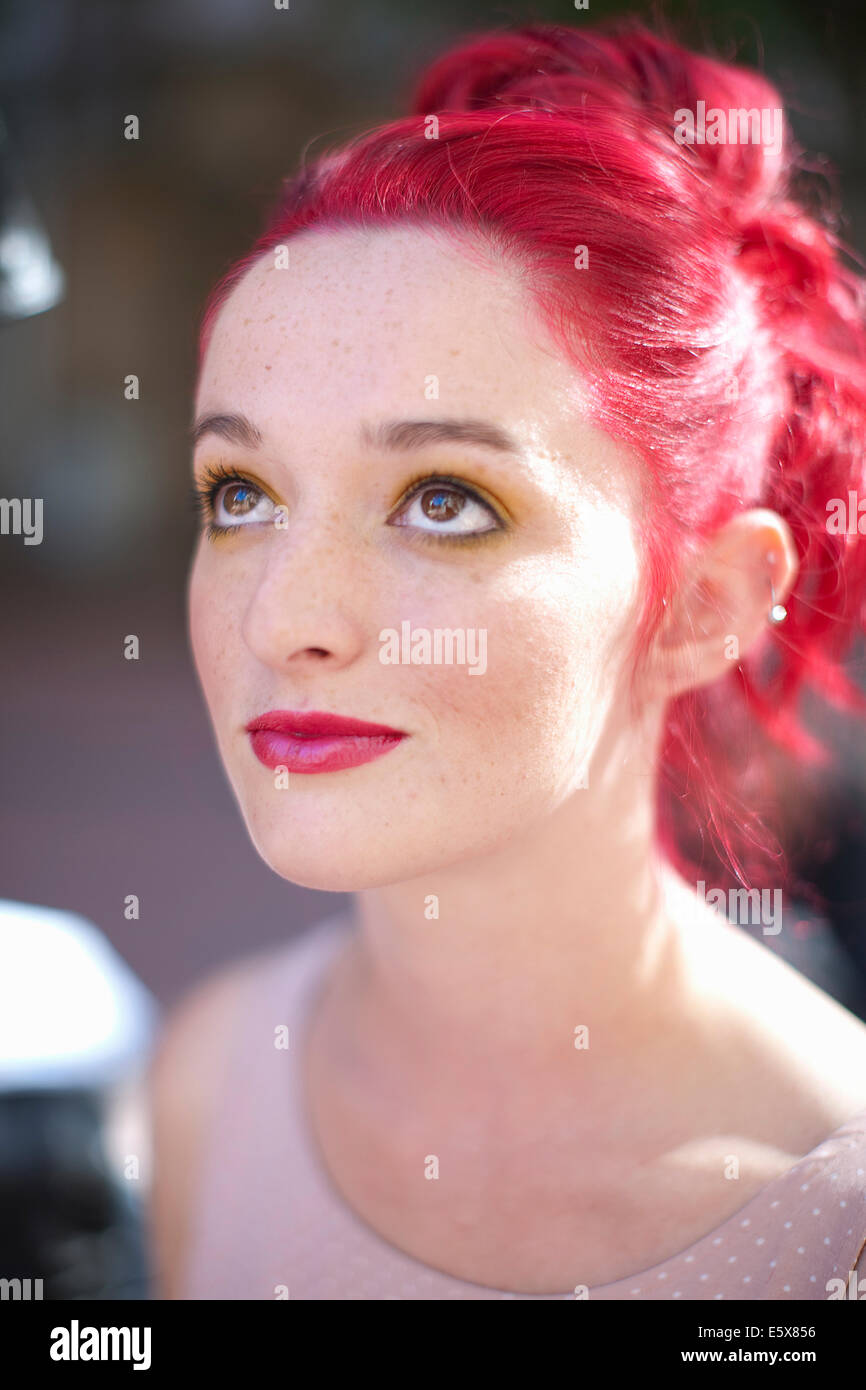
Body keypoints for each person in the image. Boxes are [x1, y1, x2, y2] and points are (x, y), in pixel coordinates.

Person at [147, 19, 866, 1300]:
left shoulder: (832, 1220)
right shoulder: (205, 1082)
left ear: (705, 602)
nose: (282, 620)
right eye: (241, 491)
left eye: (441, 498)